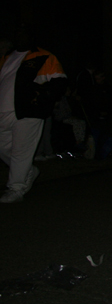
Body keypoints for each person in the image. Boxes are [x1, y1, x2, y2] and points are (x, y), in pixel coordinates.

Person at [0, 25, 67, 203]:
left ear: (31, 37)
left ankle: (16, 188)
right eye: (17, 33)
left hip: (28, 113)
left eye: (24, 34)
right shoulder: (6, 57)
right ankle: (28, 171)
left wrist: (39, 96)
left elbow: (59, 81)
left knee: (21, 152)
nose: (20, 37)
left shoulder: (44, 56)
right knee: (6, 149)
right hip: (4, 111)